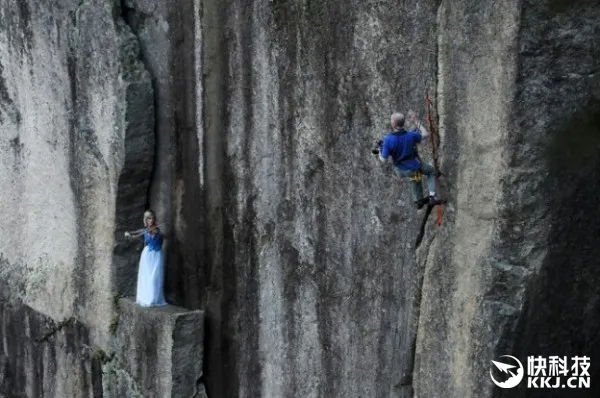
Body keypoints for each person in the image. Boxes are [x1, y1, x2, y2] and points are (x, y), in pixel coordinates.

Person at [376, 111, 442, 209]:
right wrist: (417, 122)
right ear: (403, 122)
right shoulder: (411, 135)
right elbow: (425, 134)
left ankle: (419, 200)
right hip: (414, 165)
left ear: (393, 124)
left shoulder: (388, 140)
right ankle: (432, 196)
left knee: (414, 175)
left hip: (401, 170)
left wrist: (379, 152)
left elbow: (383, 159)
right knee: (431, 171)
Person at [124, 210, 167, 307]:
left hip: (157, 255)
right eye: (148, 219)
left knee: (155, 277)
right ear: (146, 220)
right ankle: (146, 298)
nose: (151, 221)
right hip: (147, 255)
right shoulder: (144, 230)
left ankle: (154, 298)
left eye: (152, 218)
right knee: (146, 277)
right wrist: (128, 234)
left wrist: (158, 234)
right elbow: (132, 232)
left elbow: (163, 237)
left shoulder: (157, 230)